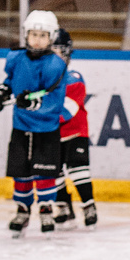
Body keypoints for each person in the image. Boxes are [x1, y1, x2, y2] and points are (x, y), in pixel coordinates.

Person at [0, 10, 72, 236]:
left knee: (45, 173)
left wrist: (32, 105)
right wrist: (0, 94)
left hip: (46, 129)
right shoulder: (15, 58)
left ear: (52, 37)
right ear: (26, 35)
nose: (37, 39)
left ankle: (46, 209)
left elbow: (54, 101)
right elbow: (9, 82)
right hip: (21, 127)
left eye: (43, 35)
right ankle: (23, 210)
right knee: (22, 172)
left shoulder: (56, 65)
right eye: (33, 34)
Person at [50, 28, 98, 229]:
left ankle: (89, 206)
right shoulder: (43, 79)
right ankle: (63, 206)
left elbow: (69, 109)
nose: (55, 55)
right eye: (51, 50)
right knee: (53, 172)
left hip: (75, 132)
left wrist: (42, 115)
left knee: (79, 170)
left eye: (59, 50)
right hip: (52, 134)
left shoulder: (74, 77)